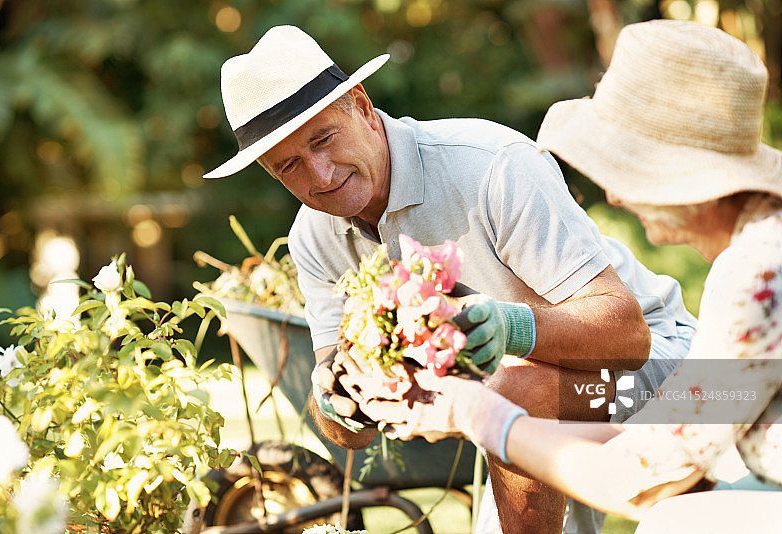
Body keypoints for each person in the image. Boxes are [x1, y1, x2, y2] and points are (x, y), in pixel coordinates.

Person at [202, 25, 696, 534]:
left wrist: (511, 329)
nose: (321, 175)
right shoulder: (314, 238)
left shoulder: (490, 166)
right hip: (530, 399)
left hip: (679, 375)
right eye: (290, 166)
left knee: (512, 389)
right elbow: (347, 436)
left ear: (362, 105)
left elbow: (628, 335)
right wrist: (337, 399)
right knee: (511, 397)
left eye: (324, 139)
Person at [352, 18, 782, 531]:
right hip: (680, 431)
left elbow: (642, 480)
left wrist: (476, 414)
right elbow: (656, 447)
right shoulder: (759, 252)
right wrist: (487, 413)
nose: (613, 196)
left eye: (623, 168)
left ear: (680, 171)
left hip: (659, 386)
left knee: (675, 521)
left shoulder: (757, 275)